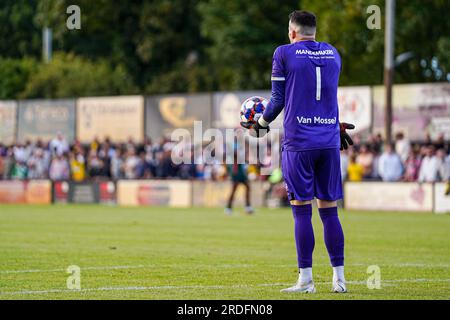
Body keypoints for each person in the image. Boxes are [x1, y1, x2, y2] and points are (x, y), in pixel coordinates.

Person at [241, 10, 354, 293]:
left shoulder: (283, 53)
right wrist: (334, 126)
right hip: (328, 141)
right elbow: (328, 96)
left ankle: (306, 280)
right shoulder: (333, 53)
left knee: (301, 211)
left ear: (292, 32)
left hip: (299, 142)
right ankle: (339, 280)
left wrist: (261, 124)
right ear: (313, 30)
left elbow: (277, 100)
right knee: (330, 211)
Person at [224, 151, 254, 215]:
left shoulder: (238, 161)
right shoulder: (234, 162)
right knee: (234, 191)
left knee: (247, 189)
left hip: (241, 176)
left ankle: (247, 207)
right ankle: (229, 208)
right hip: (236, 176)